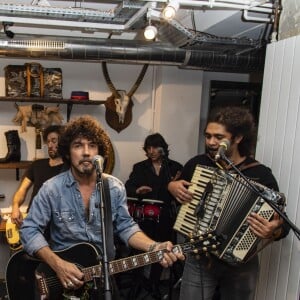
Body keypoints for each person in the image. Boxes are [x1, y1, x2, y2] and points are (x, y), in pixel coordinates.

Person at [20, 116, 184, 300]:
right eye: (78, 145)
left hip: (103, 279)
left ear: (100, 152)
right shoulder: (51, 189)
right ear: (67, 152)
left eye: (92, 145)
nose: (86, 152)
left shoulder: (113, 187)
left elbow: (126, 226)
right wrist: (57, 264)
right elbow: (29, 230)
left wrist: (153, 246)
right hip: (62, 281)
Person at [168, 106, 289, 300]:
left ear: (238, 138)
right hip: (200, 257)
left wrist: (273, 230)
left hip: (241, 263)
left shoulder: (260, 174)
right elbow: (174, 198)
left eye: (218, 137)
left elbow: (282, 225)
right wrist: (171, 186)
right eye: (208, 136)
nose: (211, 142)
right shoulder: (198, 164)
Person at [125, 133, 183, 299]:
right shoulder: (139, 167)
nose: (151, 151)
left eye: (154, 147)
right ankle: (136, 285)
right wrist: (137, 191)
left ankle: (155, 284)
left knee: (162, 250)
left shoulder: (174, 167)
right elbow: (128, 187)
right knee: (138, 251)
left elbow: (183, 192)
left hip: (166, 216)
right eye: (148, 148)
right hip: (145, 217)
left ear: (162, 148)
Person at [11, 125, 64, 227]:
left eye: (54, 141)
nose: (50, 145)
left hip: (56, 225)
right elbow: (22, 190)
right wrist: (15, 206)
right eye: (48, 141)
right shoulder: (37, 165)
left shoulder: (70, 168)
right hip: (32, 220)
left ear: (62, 143)